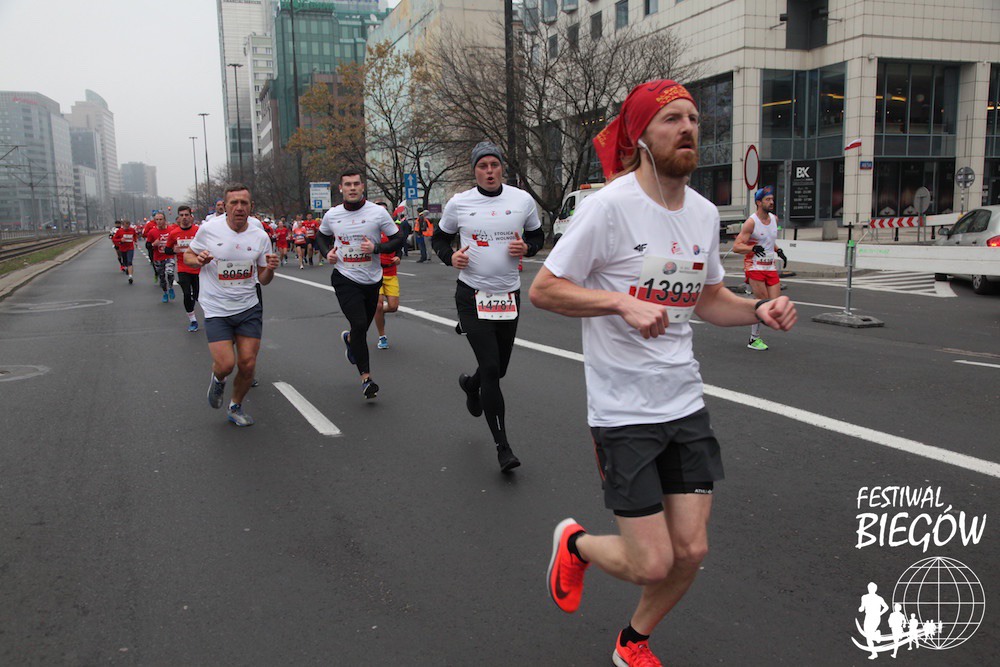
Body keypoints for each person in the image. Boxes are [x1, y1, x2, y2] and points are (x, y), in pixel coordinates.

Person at [529, 80, 797, 667]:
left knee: (691, 550)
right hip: (623, 411)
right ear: (641, 136)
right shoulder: (608, 207)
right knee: (651, 562)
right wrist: (619, 302)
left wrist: (758, 310)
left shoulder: (703, 213)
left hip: (684, 403)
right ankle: (576, 544)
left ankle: (633, 642)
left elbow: (709, 299)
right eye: (672, 118)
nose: (688, 128)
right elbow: (545, 289)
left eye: (693, 118)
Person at [432, 141, 544, 473]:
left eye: (494, 165)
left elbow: (537, 236)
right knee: (492, 369)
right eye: (483, 166)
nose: (490, 171)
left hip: (508, 296)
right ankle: (503, 447)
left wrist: (528, 248)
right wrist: (451, 256)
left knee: (499, 368)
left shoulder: (522, 200)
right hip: (471, 295)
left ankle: (471, 384)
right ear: (475, 171)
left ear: (502, 168)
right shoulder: (460, 203)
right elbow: (439, 239)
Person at [184, 185, 278, 426]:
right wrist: (198, 260)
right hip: (216, 308)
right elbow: (188, 256)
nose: (239, 207)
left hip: (248, 307)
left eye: (244, 203)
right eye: (234, 202)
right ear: (225, 206)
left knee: (248, 364)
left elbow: (264, 279)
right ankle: (218, 380)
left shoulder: (260, 236)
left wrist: (270, 269)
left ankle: (235, 406)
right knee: (226, 365)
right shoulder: (209, 230)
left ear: (251, 207)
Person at [316, 170, 407, 399]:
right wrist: (328, 253)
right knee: (358, 323)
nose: (352, 188)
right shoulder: (332, 215)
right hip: (345, 278)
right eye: (348, 184)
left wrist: (377, 249)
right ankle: (366, 379)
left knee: (360, 330)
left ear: (362, 187)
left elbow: (398, 239)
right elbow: (321, 236)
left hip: (372, 279)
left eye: (356, 184)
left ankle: (350, 340)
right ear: (341, 188)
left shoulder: (377, 212)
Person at [733, 186, 788, 351]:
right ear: (758, 202)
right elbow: (737, 246)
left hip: (770, 267)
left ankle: (748, 310)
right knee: (763, 304)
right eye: (767, 199)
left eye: (772, 199)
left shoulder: (774, 219)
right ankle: (753, 339)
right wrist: (752, 248)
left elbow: (768, 240)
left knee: (773, 306)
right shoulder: (751, 222)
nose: (771, 202)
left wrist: (779, 250)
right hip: (754, 267)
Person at [167, 206, 201, 332]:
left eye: (186, 215)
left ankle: (195, 301)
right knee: (186, 293)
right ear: (178, 217)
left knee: (197, 295)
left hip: (198, 267)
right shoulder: (174, 233)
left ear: (191, 216)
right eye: (182, 215)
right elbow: (167, 249)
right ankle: (193, 320)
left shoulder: (198, 230)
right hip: (183, 268)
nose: (184, 218)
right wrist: (173, 250)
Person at [145, 212, 176, 303]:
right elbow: (147, 245)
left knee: (170, 272)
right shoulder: (152, 232)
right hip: (158, 257)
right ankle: (165, 293)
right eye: (157, 220)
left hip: (169, 256)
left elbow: (176, 241)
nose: (159, 221)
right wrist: (153, 244)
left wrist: (175, 247)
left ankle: (171, 287)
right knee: (162, 277)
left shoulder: (171, 230)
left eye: (161, 219)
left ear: (164, 220)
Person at [112, 219, 137, 284]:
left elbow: (135, 235)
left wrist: (135, 241)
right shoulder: (119, 231)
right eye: (125, 226)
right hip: (122, 249)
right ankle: (126, 268)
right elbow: (114, 239)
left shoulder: (132, 230)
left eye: (128, 226)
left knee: (130, 262)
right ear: (122, 225)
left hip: (130, 248)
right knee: (125, 262)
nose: (127, 227)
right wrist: (120, 240)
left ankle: (130, 277)